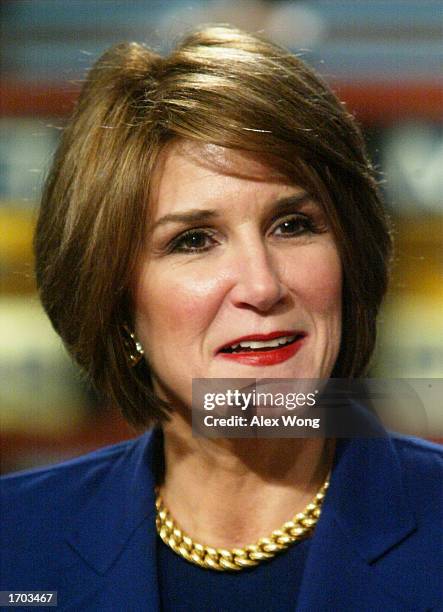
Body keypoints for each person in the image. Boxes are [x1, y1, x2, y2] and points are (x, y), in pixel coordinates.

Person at [1, 25, 442, 611]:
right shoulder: (16, 542)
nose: (262, 285)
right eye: (193, 240)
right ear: (115, 298)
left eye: (294, 225)